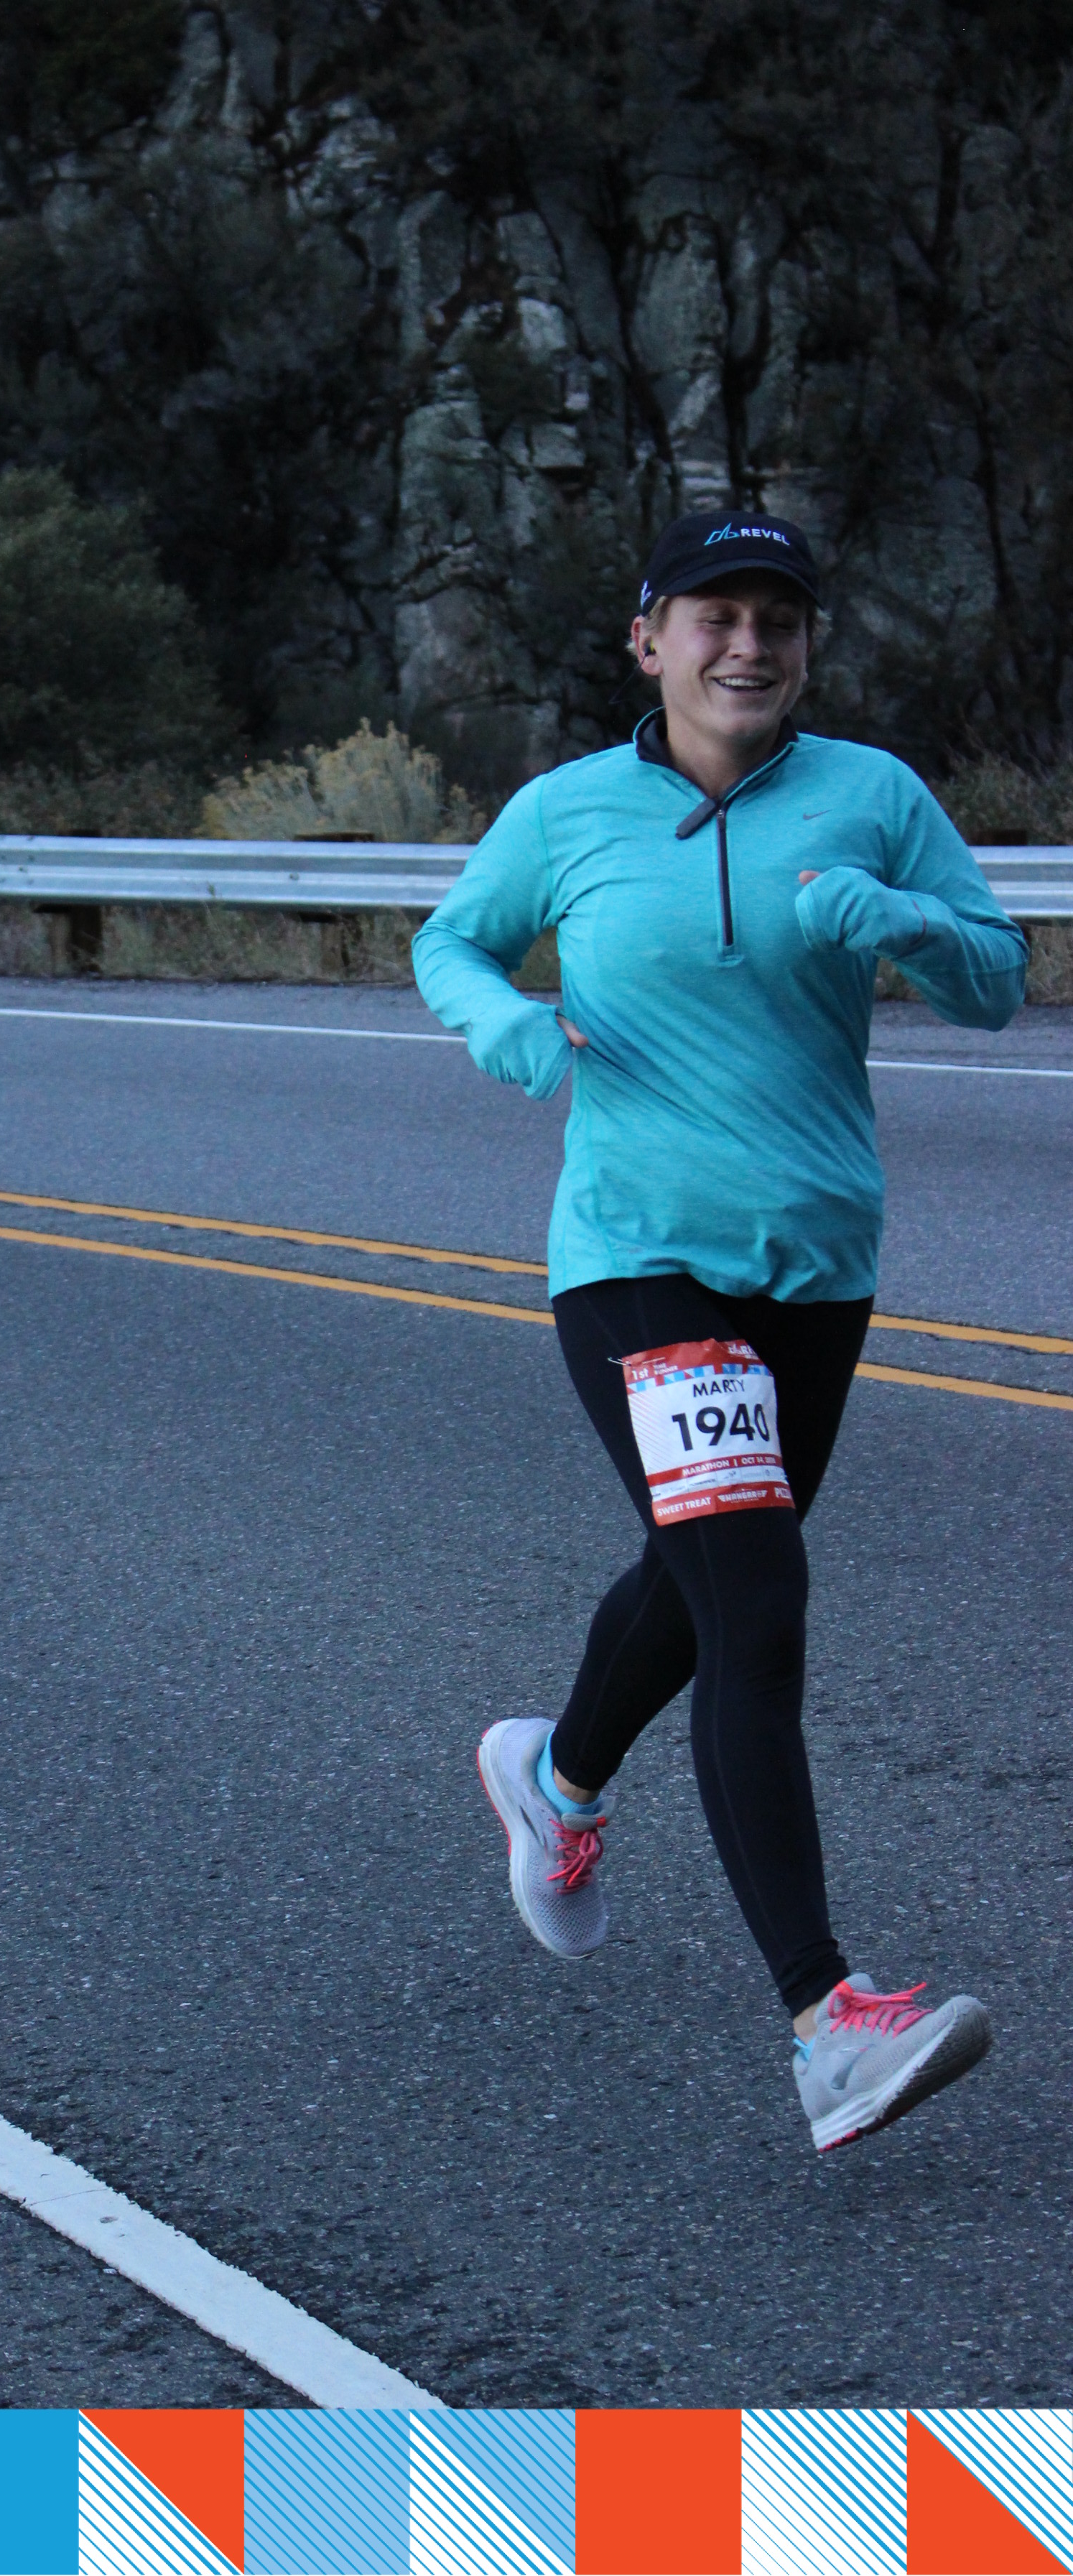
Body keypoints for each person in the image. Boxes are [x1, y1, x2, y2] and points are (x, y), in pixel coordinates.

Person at [412, 509, 1028, 2154]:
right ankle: (830, 2022)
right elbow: (450, 939)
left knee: (696, 1580)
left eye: (778, 619)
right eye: (714, 615)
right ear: (650, 639)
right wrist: (505, 1020)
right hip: (636, 1259)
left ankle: (553, 1776)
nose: (747, 644)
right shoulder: (569, 811)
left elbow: (998, 976)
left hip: (816, 1264)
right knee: (753, 1597)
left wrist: (900, 921)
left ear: (807, 645)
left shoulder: (873, 796)